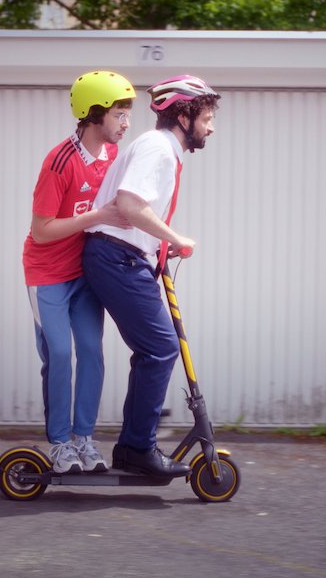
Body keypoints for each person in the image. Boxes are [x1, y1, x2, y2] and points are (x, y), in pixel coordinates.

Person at [82, 75, 220, 477]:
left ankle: (134, 447)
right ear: (183, 115)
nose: (211, 126)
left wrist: (162, 243)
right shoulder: (158, 148)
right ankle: (137, 449)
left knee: (156, 348)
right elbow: (128, 204)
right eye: (207, 117)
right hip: (116, 257)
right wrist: (175, 236)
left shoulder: (160, 149)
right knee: (160, 346)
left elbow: (137, 212)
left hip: (124, 256)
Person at [22, 70, 135, 474]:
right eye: (120, 114)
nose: (126, 123)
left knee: (91, 352)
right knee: (60, 354)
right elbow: (42, 229)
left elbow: (126, 211)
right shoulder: (59, 162)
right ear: (93, 113)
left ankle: (84, 439)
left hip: (85, 273)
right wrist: (96, 217)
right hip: (47, 273)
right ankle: (59, 443)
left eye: (127, 114)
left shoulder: (113, 160)